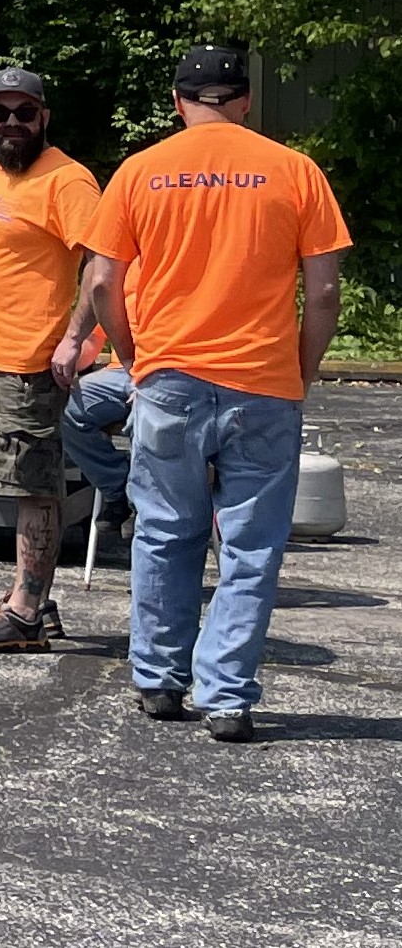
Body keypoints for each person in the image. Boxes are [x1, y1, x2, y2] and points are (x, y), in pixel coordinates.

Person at [78, 45, 350, 742]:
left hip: (168, 378)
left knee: (165, 532)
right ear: (245, 100)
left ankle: (158, 681)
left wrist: (137, 358)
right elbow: (322, 290)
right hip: (261, 381)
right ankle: (225, 697)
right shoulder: (294, 172)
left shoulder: (139, 172)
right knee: (250, 547)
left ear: (177, 101)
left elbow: (103, 281)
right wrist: (301, 370)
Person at [0, 66, 106, 653]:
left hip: (31, 360)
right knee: (17, 486)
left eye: (25, 112)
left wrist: (75, 338)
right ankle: (32, 596)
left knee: (35, 488)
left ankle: (26, 615)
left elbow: (103, 264)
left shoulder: (67, 180)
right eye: (0, 113)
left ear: (44, 116)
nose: (13, 123)